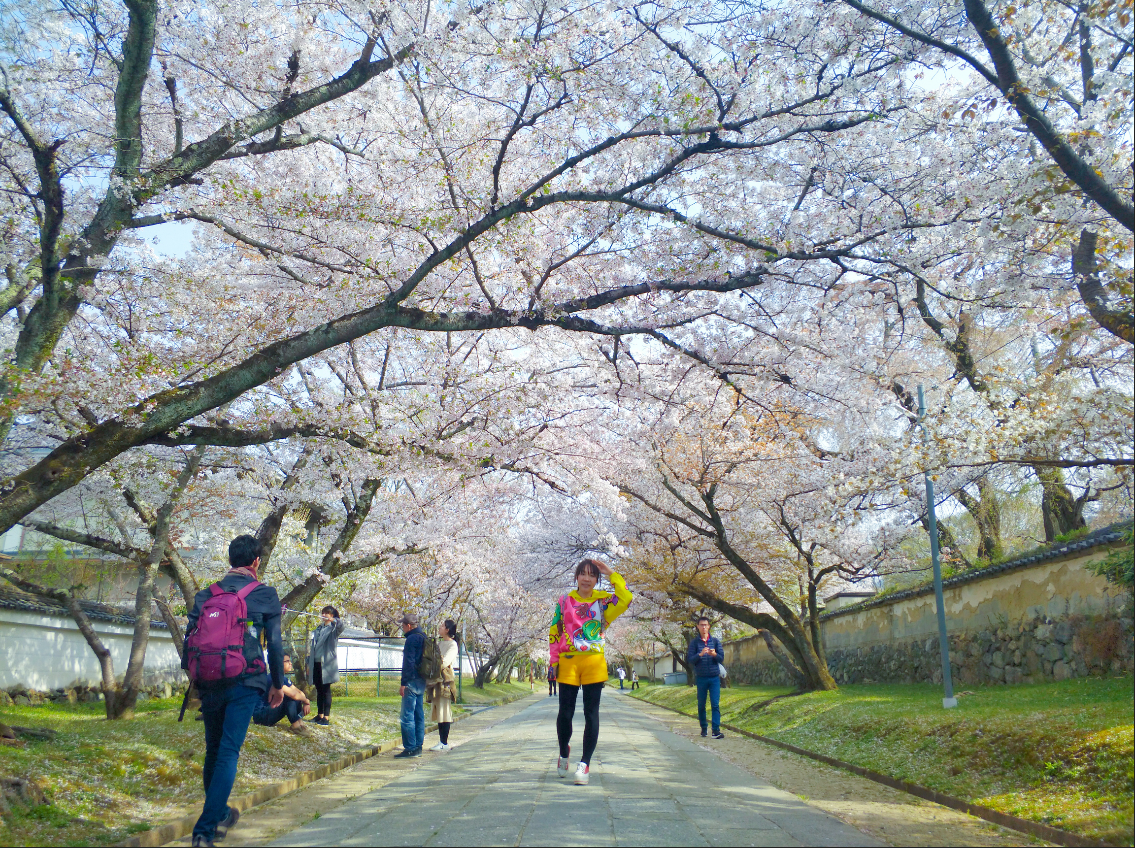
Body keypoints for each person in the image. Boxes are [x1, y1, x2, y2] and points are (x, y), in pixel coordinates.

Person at [185, 535, 285, 848]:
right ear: (256, 561)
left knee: (213, 750)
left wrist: (197, 678)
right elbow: (276, 643)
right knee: (228, 750)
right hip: (246, 680)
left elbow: (189, 640)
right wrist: (278, 685)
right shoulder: (265, 594)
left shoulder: (206, 595)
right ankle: (204, 830)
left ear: (231, 560)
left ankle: (221, 813)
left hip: (210, 680)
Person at [549, 557, 633, 786]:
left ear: (596, 579)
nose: (587, 578)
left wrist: (610, 573)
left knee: (591, 713)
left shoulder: (604, 601)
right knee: (565, 713)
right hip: (568, 661)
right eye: (583, 574)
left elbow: (626, 597)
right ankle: (564, 751)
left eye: (592, 575)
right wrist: (553, 660)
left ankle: (585, 763)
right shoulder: (565, 600)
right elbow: (555, 630)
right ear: (576, 577)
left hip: (594, 661)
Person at [252, 653, 313, 737]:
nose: (290, 663)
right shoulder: (274, 678)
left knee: (296, 697)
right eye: (287, 661)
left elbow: (299, 692)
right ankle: (295, 726)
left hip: (270, 710)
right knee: (290, 696)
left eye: (290, 661)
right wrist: (306, 701)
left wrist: (306, 702)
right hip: (261, 716)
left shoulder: (282, 678)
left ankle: (300, 723)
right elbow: (293, 694)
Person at [687, 616, 726, 740]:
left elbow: (721, 658)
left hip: (714, 677)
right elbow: (690, 660)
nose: (704, 627)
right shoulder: (694, 643)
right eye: (701, 625)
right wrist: (701, 654)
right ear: (698, 627)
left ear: (709, 626)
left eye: (706, 625)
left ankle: (715, 730)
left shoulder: (715, 641)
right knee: (701, 705)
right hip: (701, 677)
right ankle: (704, 728)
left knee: (715, 704)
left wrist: (714, 654)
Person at [306, 605, 345, 726]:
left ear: (332, 615)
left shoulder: (333, 629)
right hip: (316, 663)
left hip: (327, 665)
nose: (323, 615)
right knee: (319, 690)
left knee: (326, 690)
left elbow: (341, 626)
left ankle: (326, 718)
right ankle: (320, 715)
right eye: (323, 613)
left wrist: (334, 620)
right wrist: (308, 664)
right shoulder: (318, 629)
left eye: (326, 613)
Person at [395, 612, 427, 758]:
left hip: (411, 680)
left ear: (408, 626)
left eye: (403, 625)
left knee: (407, 716)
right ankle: (418, 746)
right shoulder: (423, 637)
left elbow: (408, 662)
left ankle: (410, 747)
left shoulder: (411, 639)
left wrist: (404, 683)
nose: (402, 628)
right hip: (422, 680)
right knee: (419, 714)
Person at [427, 619, 460, 752]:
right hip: (436, 679)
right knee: (438, 710)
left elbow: (444, 661)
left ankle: (444, 742)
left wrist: (434, 663)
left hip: (445, 681)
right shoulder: (439, 643)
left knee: (444, 711)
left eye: (442, 626)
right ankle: (441, 741)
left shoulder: (453, 645)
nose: (439, 628)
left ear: (447, 629)